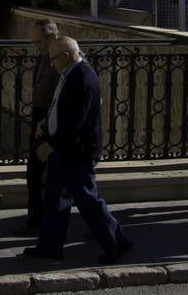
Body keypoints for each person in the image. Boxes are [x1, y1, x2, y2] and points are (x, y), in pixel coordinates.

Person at [23, 36, 132, 264]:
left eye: (54, 58)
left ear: (66, 56)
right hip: (65, 150)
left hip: (75, 152)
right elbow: (60, 108)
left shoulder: (82, 78)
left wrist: (51, 145)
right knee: (55, 199)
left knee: (88, 200)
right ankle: (50, 247)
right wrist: (46, 124)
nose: (51, 63)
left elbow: (75, 122)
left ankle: (116, 243)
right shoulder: (70, 73)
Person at [24, 19, 61, 232]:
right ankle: (38, 219)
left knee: (38, 171)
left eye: (39, 41)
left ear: (52, 38)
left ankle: (38, 221)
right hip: (41, 116)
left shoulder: (60, 59)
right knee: (36, 171)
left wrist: (46, 122)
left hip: (49, 119)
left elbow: (60, 95)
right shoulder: (44, 56)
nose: (35, 46)